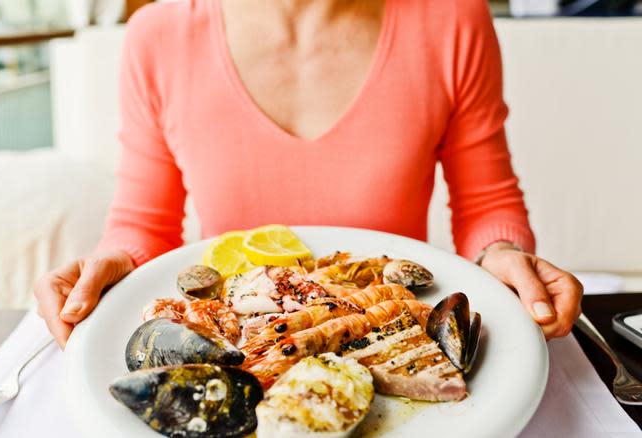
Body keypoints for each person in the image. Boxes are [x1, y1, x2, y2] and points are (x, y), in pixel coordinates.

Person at [35, 0, 583, 349]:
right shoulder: (156, 34)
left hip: (394, 336)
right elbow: (143, 223)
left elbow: (487, 205)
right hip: (238, 345)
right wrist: (115, 262)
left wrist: (503, 254)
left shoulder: (453, 19)